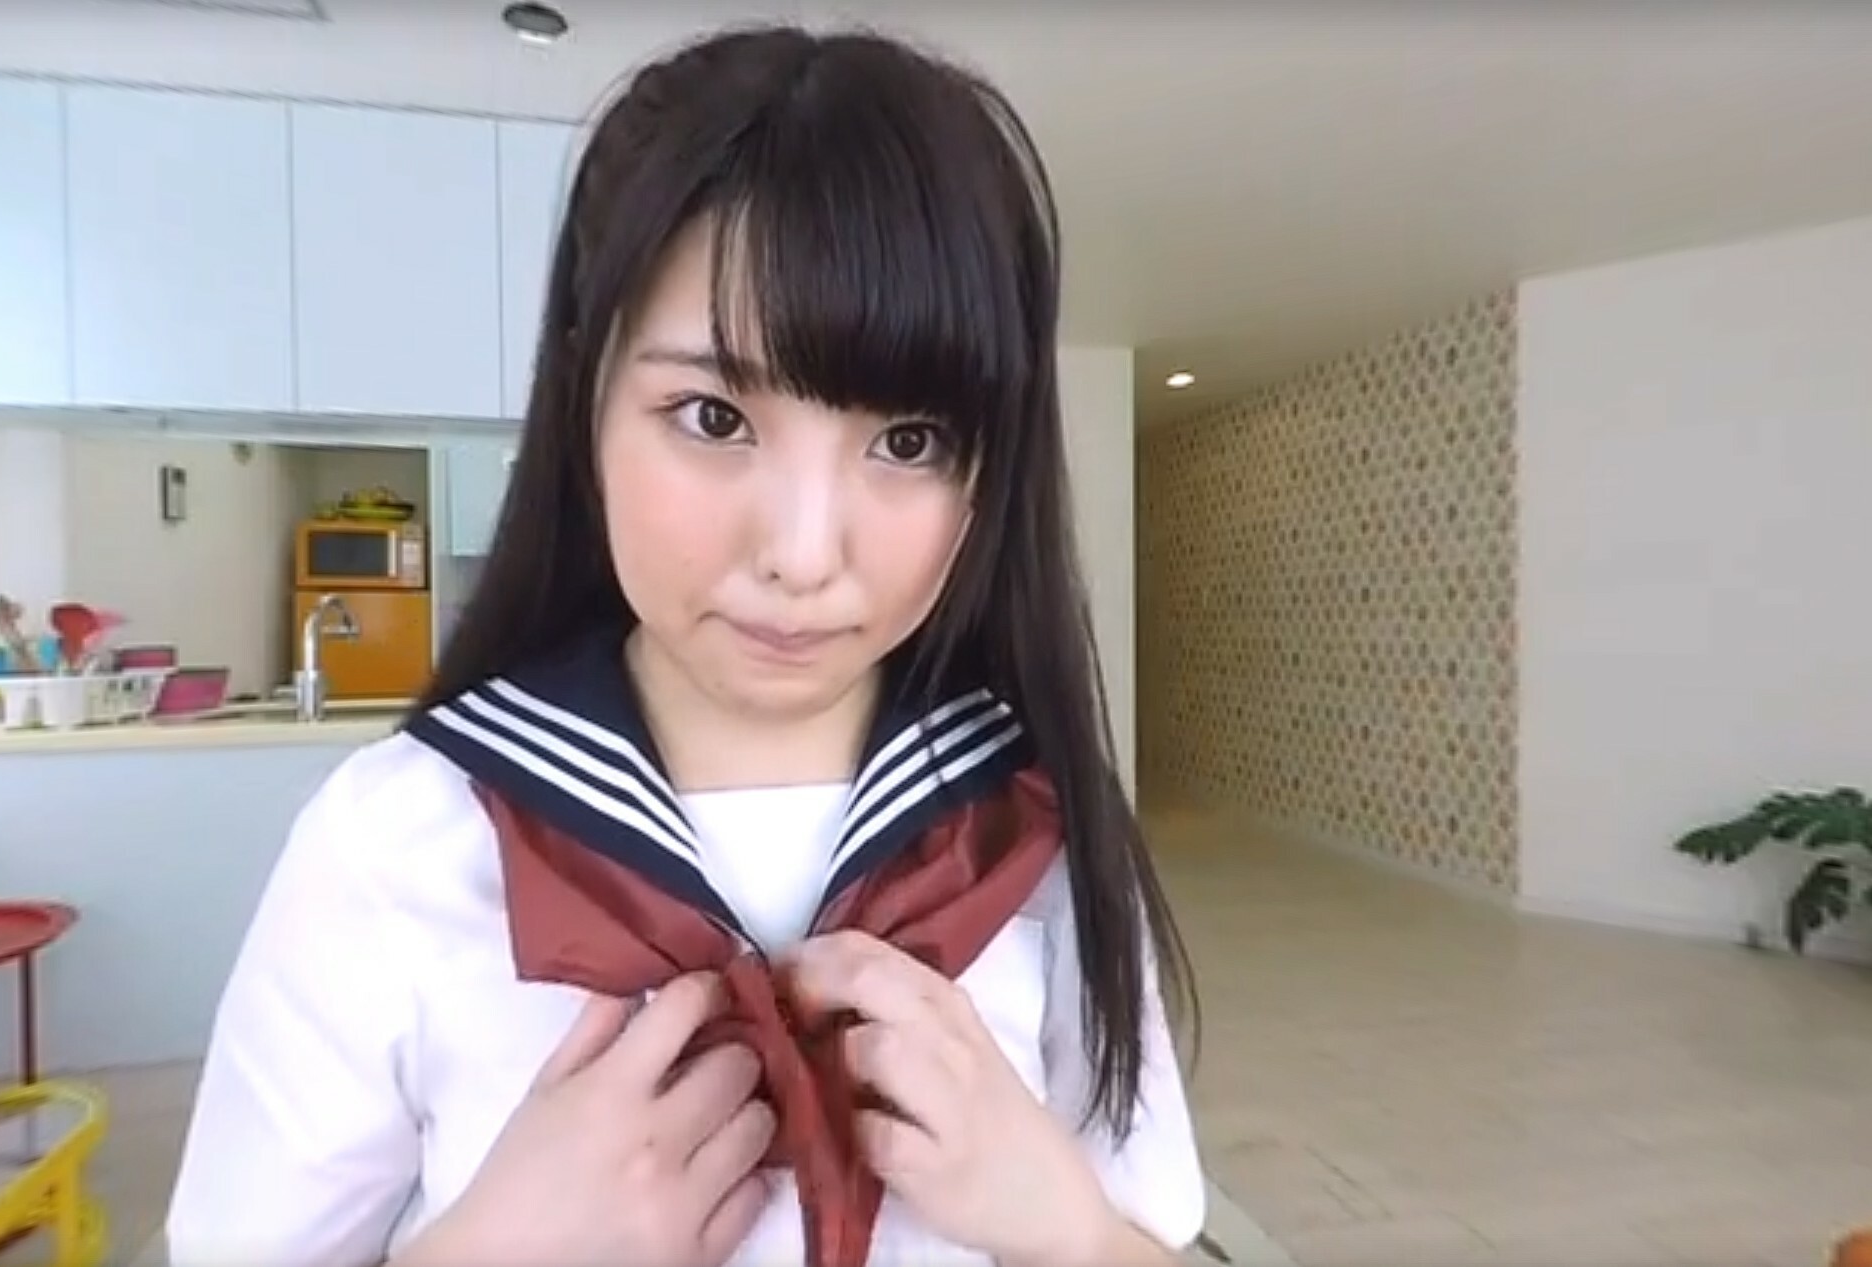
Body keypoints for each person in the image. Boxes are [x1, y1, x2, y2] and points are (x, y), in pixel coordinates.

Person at [164, 21, 1204, 1267]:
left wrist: (1068, 1226)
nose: (803, 554)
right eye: (711, 416)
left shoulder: (1033, 833)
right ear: (585, 396)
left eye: (909, 441)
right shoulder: (394, 842)